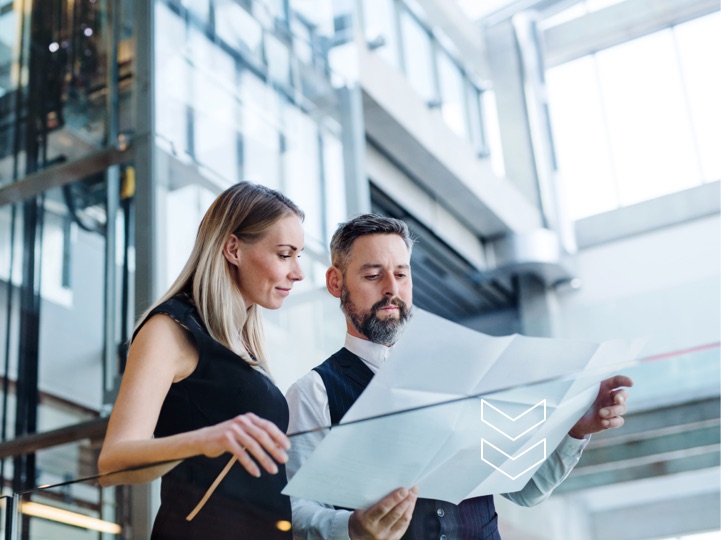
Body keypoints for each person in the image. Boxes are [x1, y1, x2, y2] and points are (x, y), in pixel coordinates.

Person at [285, 214, 633, 540]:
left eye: (402, 274)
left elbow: (523, 489)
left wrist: (573, 431)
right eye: (373, 275)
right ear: (336, 282)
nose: (391, 288)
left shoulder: (469, 371)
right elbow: (294, 513)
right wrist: (351, 529)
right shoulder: (315, 393)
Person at [98, 181, 305, 539]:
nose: (298, 272)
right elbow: (113, 462)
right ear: (233, 249)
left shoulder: (244, 348)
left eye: (298, 256)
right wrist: (205, 439)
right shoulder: (171, 330)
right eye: (285, 254)